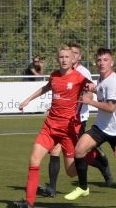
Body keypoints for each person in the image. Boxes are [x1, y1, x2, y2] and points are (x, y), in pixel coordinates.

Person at [14, 47, 87, 208]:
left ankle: (88, 158)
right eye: (61, 57)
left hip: (68, 130)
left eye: (67, 57)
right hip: (50, 126)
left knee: (71, 172)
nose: (64, 60)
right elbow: (46, 88)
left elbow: (93, 88)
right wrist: (27, 100)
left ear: (72, 59)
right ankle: (29, 203)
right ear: (57, 59)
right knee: (34, 160)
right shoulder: (54, 75)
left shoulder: (79, 78)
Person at [43, 43, 112, 196]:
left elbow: (89, 93)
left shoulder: (82, 72)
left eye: (74, 53)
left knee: (78, 153)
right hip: (61, 119)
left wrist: (74, 108)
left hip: (77, 119)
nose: (70, 56)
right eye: (68, 53)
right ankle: (52, 188)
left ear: (78, 56)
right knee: (54, 150)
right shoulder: (63, 71)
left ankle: (99, 163)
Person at [65, 47, 116, 201]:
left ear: (112, 62)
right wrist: (94, 87)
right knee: (79, 149)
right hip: (101, 127)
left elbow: (111, 108)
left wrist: (90, 101)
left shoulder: (114, 80)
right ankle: (83, 187)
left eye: (105, 60)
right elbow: (101, 90)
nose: (102, 63)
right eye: (99, 60)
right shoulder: (101, 79)